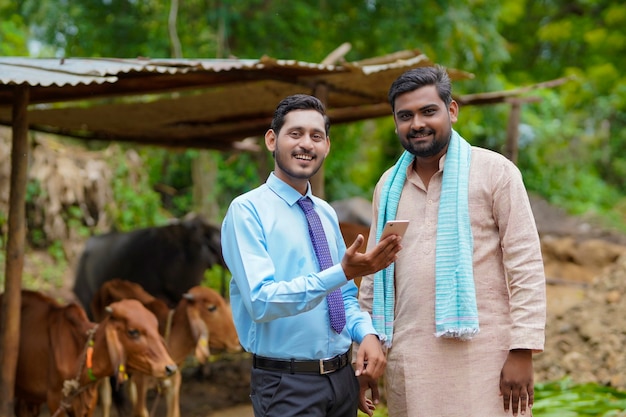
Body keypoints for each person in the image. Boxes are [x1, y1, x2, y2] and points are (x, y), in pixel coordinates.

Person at [358, 66, 547, 417]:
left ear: (452, 110)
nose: (417, 123)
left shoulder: (495, 172)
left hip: (486, 360)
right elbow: (373, 273)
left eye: (428, 111)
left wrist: (522, 350)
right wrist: (365, 344)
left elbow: (526, 265)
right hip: (411, 365)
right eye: (405, 116)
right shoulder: (388, 187)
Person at [221, 94, 403, 417]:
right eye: (296, 133)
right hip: (286, 384)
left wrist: (367, 334)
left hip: (342, 380)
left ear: (327, 146)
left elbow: (343, 297)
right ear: (271, 139)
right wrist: (341, 272)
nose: (306, 144)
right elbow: (262, 301)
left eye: (316, 136)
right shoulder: (247, 211)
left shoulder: (325, 213)